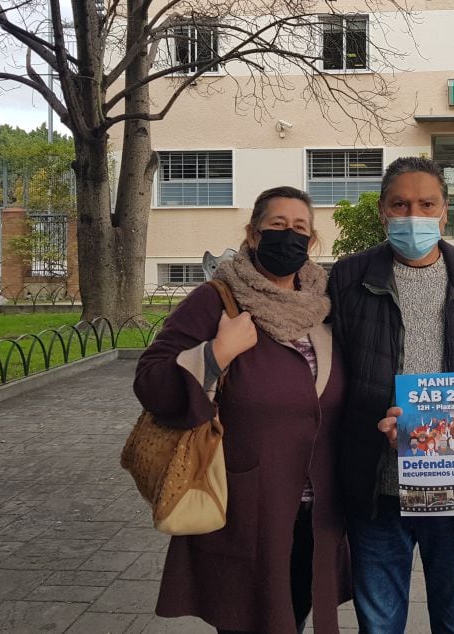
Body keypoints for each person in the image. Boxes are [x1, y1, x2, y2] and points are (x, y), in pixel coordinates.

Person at [133, 186, 350, 634]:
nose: (288, 236)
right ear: (252, 234)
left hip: (317, 511)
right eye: (277, 226)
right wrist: (215, 354)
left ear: (311, 243)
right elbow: (150, 380)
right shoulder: (217, 300)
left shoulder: (325, 308)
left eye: (299, 229)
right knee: (249, 619)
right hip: (247, 508)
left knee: (296, 609)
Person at [328, 156, 454, 634]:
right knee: (378, 623)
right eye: (400, 204)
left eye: (426, 204)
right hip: (377, 485)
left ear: (445, 211)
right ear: (382, 211)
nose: (412, 215)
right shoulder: (347, 278)